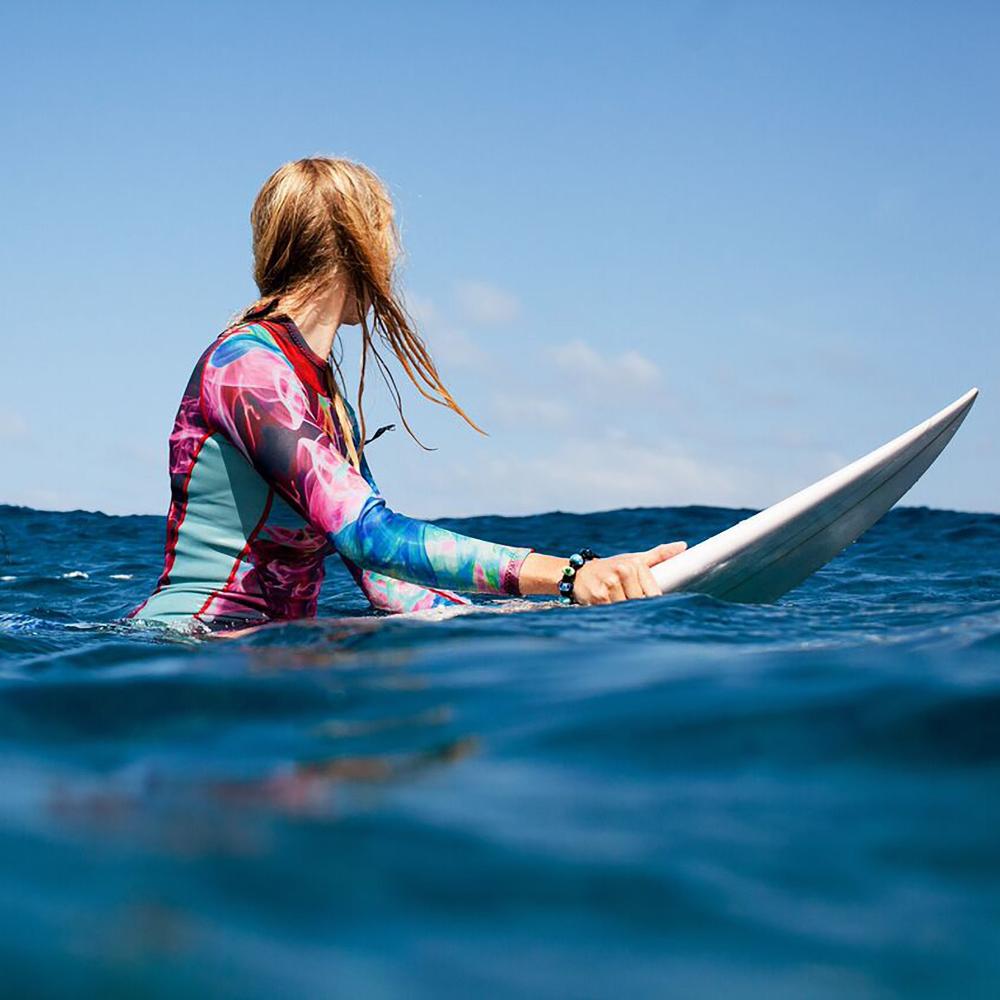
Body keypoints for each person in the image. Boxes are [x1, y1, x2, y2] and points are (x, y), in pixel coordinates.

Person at [129, 157, 686, 632]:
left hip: (264, 656)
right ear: (359, 251)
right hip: (192, 651)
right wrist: (568, 573)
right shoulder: (247, 368)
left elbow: (383, 579)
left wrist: (544, 615)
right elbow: (370, 536)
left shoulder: (321, 394)